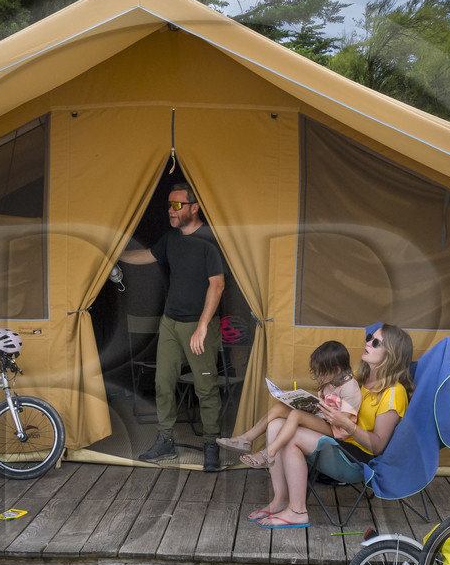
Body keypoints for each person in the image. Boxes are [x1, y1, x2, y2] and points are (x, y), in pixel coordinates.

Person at [249, 324, 414, 528]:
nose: (368, 342)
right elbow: (333, 400)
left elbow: (378, 446)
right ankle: (280, 500)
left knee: (292, 436)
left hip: (358, 456)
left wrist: (346, 424)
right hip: (339, 438)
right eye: (369, 337)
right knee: (276, 424)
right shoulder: (360, 378)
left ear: (392, 354)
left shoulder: (393, 393)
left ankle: (297, 511)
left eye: (376, 342)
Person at [116, 182, 227, 471]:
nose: (170, 210)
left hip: (200, 327)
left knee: (206, 386)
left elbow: (217, 285)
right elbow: (148, 255)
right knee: (162, 383)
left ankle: (211, 443)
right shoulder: (171, 239)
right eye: (169, 205)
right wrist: (115, 256)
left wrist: (202, 327)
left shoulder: (210, 240)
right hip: (170, 323)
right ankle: (165, 441)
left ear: (194, 207)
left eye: (177, 205)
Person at [219, 340, 360, 469]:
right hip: (324, 419)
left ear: (337, 370)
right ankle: (245, 439)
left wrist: (315, 410)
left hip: (337, 430)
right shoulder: (330, 381)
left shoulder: (350, 387)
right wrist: (295, 397)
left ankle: (268, 454)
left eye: (320, 373)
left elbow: (344, 422)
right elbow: (323, 403)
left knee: (296, 415)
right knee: (280, 407)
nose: (317, 377)